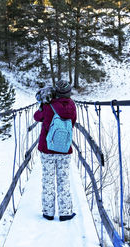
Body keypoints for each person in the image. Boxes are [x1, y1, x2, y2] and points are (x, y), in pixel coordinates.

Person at [33, 80, 77, 221]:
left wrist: (42, 106)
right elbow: (73, 123)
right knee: (63, 180)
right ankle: (65, 213)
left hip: (47, 148)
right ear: (69, 92)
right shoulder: (72, 106)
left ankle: (48, 212)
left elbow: (36, 117)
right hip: (64, 149)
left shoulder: (48, 105)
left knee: (48, 180)